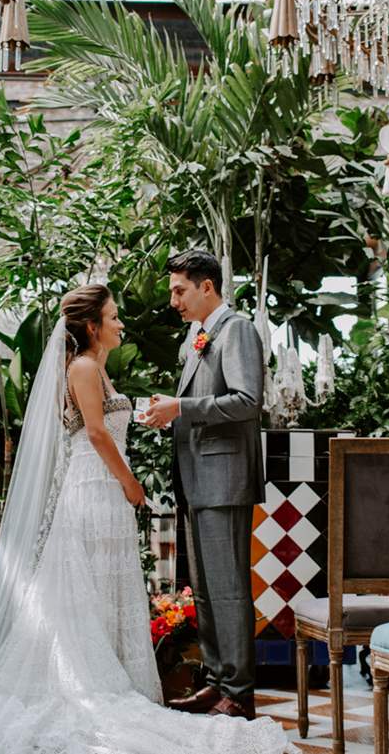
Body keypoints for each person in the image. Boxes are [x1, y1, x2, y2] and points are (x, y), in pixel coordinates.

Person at [0, 284, 294, 754]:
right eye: (113, 317)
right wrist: (130, 483)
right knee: (85, 586)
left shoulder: (100, 368)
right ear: (92, 326)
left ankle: (115, 678)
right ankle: (89, 685)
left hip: (105, 491)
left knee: (102, 588)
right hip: (92, 489)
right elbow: (94, 433)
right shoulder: (84, 367)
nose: (121, 324)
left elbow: (107, 422)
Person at [143, 250, 266, 720]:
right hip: (196, 475)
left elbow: (247, 401)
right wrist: (169, 411)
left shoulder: (235, 329)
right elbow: (195, 401)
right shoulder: (196, 334)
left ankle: (238, 690)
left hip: (224, 475)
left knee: (230, 587)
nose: (174, 299)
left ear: (207, 287)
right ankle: (216, 682)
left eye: (180, 290)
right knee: (209, 589)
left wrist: (182, 409)